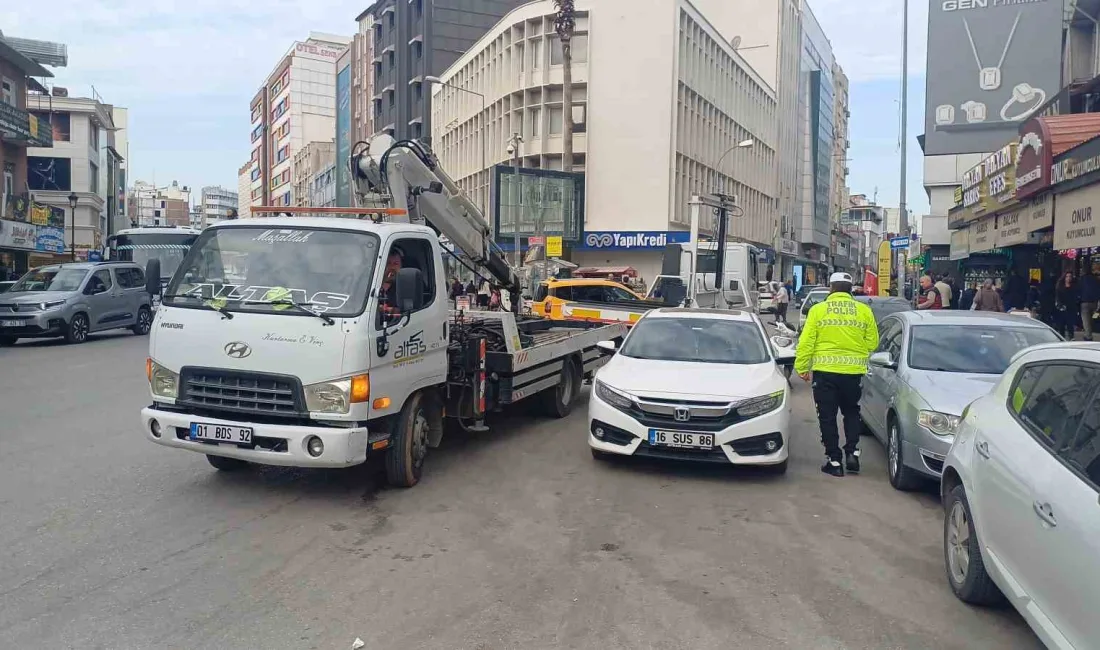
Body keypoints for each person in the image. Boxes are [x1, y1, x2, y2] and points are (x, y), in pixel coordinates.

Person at [794, 272, 880, 477]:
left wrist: (802, 367)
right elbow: (873, 343)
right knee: (851, 412)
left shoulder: (818, 310)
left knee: (827, 416)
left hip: (825, 374)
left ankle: (834, 461)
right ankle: (852, 453)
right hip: (853, 374)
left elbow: (807, 342)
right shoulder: (864, 310)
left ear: (830, 288)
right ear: (851, 289)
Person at [378, 249, 404, 322]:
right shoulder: (373, 284)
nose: (392, 267)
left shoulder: (407, 285)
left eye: (395, 264)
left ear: (401, 266)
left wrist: (383, 309)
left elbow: (408, 311)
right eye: (388, 263)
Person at [1055, 272, 1080, 339]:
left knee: (1070, 325)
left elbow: (1076, 297)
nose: (1068, 278)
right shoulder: (1060, 287)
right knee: (1061, 326)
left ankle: (1071, 338)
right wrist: (1060, 305)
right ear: (1064, 277)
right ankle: (1061, 339)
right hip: (1062, 309)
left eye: (1070, 276)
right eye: (1067, 276)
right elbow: (1058, 298)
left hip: (1071, 308)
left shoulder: (1074, 287)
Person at [1080, 268, 1100, 341]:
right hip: (1094, 303)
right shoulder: (1096, 280)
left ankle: (1088, 336)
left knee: (1086, 320)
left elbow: (1079, 290)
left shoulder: (1082, 279)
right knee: (1092, 319)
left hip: (1084, 302)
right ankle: (1088, 333)